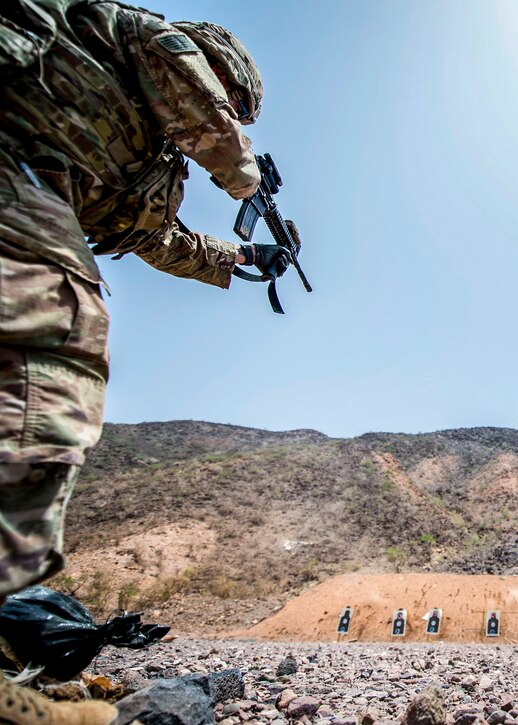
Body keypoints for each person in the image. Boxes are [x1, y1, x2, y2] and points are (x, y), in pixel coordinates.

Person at [0, 1, 289, 721]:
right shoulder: (124, 33)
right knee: (59, 328)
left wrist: (248, 255)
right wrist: (242, 174)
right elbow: (179, 73)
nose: (229, 120)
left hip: (27, 190)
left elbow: (158, 240)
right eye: (231, 104)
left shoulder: (152, 160)